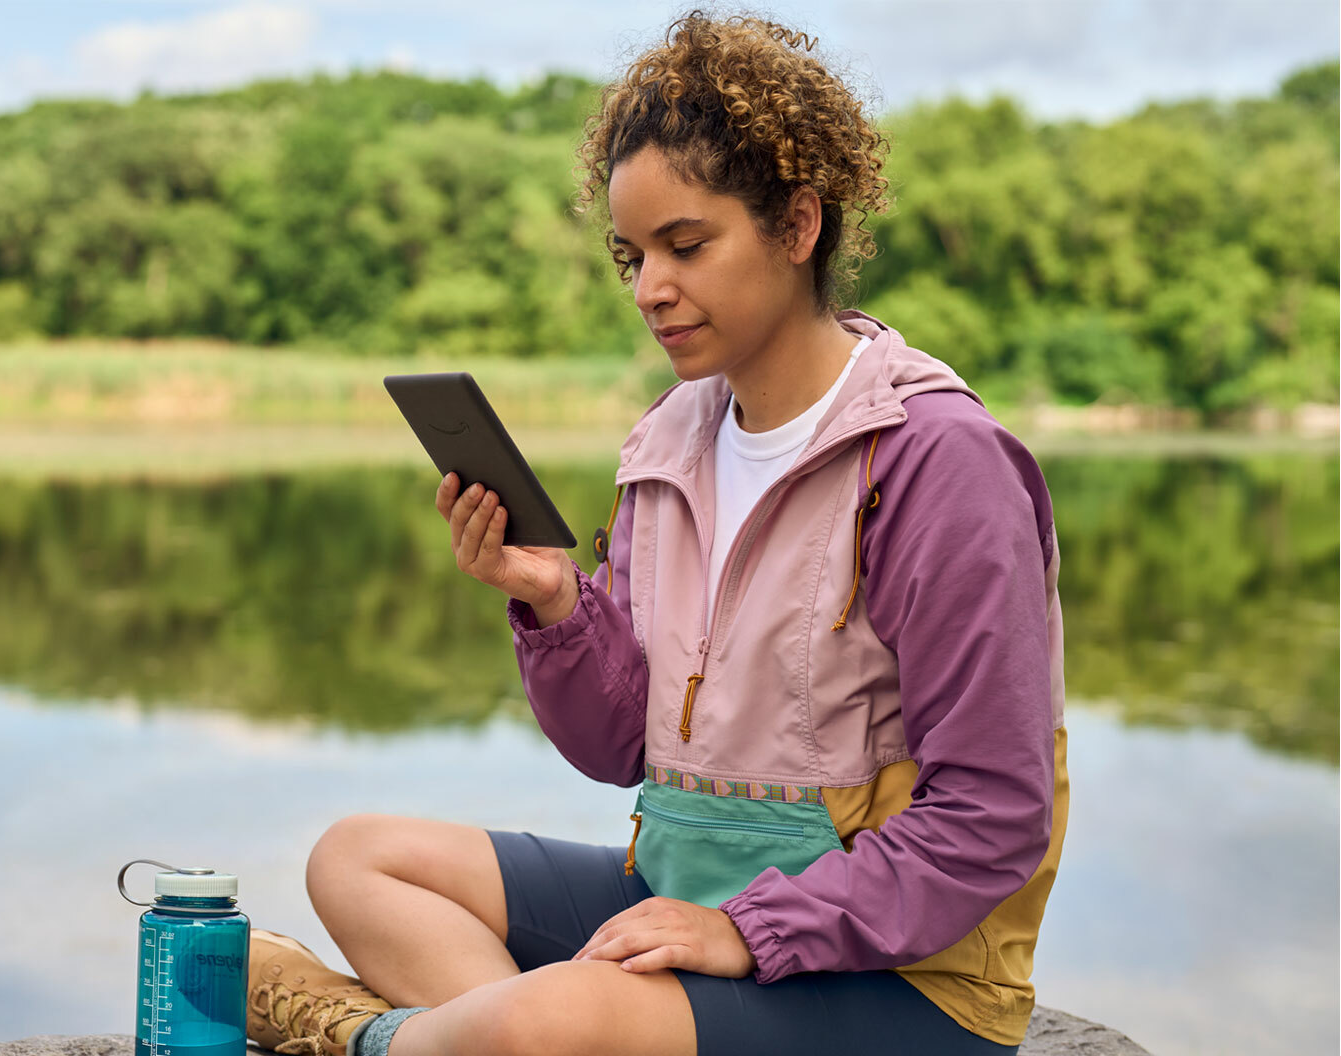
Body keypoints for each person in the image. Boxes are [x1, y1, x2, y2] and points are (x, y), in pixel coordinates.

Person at [243, 8, 1069, 1055]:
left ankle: (359, 1038)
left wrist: (747, 928)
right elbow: (621, 748)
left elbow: (992, 817)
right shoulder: (668, 445)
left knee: (554, 1019)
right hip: (683, 891)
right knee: (358, 858)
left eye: (686, 245)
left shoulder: (936, 462)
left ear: (799, 225)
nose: (650, 289)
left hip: (902, 979)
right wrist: (551, 603)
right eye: (630, 255)